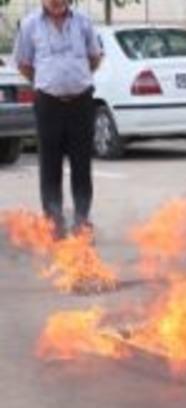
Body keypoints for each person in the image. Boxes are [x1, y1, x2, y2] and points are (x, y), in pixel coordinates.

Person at [13, 0, 102, 239]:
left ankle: (82, 221)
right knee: (50, 164)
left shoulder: (83, 22)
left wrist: (74, 77)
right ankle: (53, 223)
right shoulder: (30, 24)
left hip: (81, 102)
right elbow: (23, 63)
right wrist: (46, 80)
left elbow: (94, 57)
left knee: (81, 164)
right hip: (48, 103)